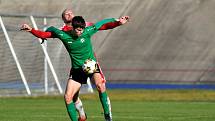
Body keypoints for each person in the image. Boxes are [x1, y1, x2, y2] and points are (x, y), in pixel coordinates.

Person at [21, 8, 129, 121]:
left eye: (70, 12)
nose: (80, 32)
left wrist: (118, 22)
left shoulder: (86, 28)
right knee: (68, 97)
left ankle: (107, 115)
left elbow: (103, 23)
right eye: (66, 13)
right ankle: (81, 116)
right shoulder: (61, 33)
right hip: (77, 69)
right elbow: (47, 31)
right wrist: (31, 30)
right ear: (67, 21)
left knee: (100, 85)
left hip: (90, 64)